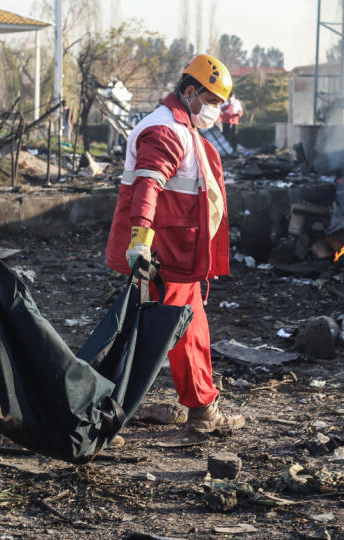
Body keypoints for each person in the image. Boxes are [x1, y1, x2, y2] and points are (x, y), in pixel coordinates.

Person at [105, 54, 245, 433]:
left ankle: (201, 410)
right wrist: (140, 241)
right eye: (212, 101)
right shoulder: (165, 130)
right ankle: (104, 414)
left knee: (188, 329)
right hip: (163, 254)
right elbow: (148, 188)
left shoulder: (181, 127)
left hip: (176, 252)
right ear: (189, 92)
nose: (216, 110)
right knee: (148, 335)